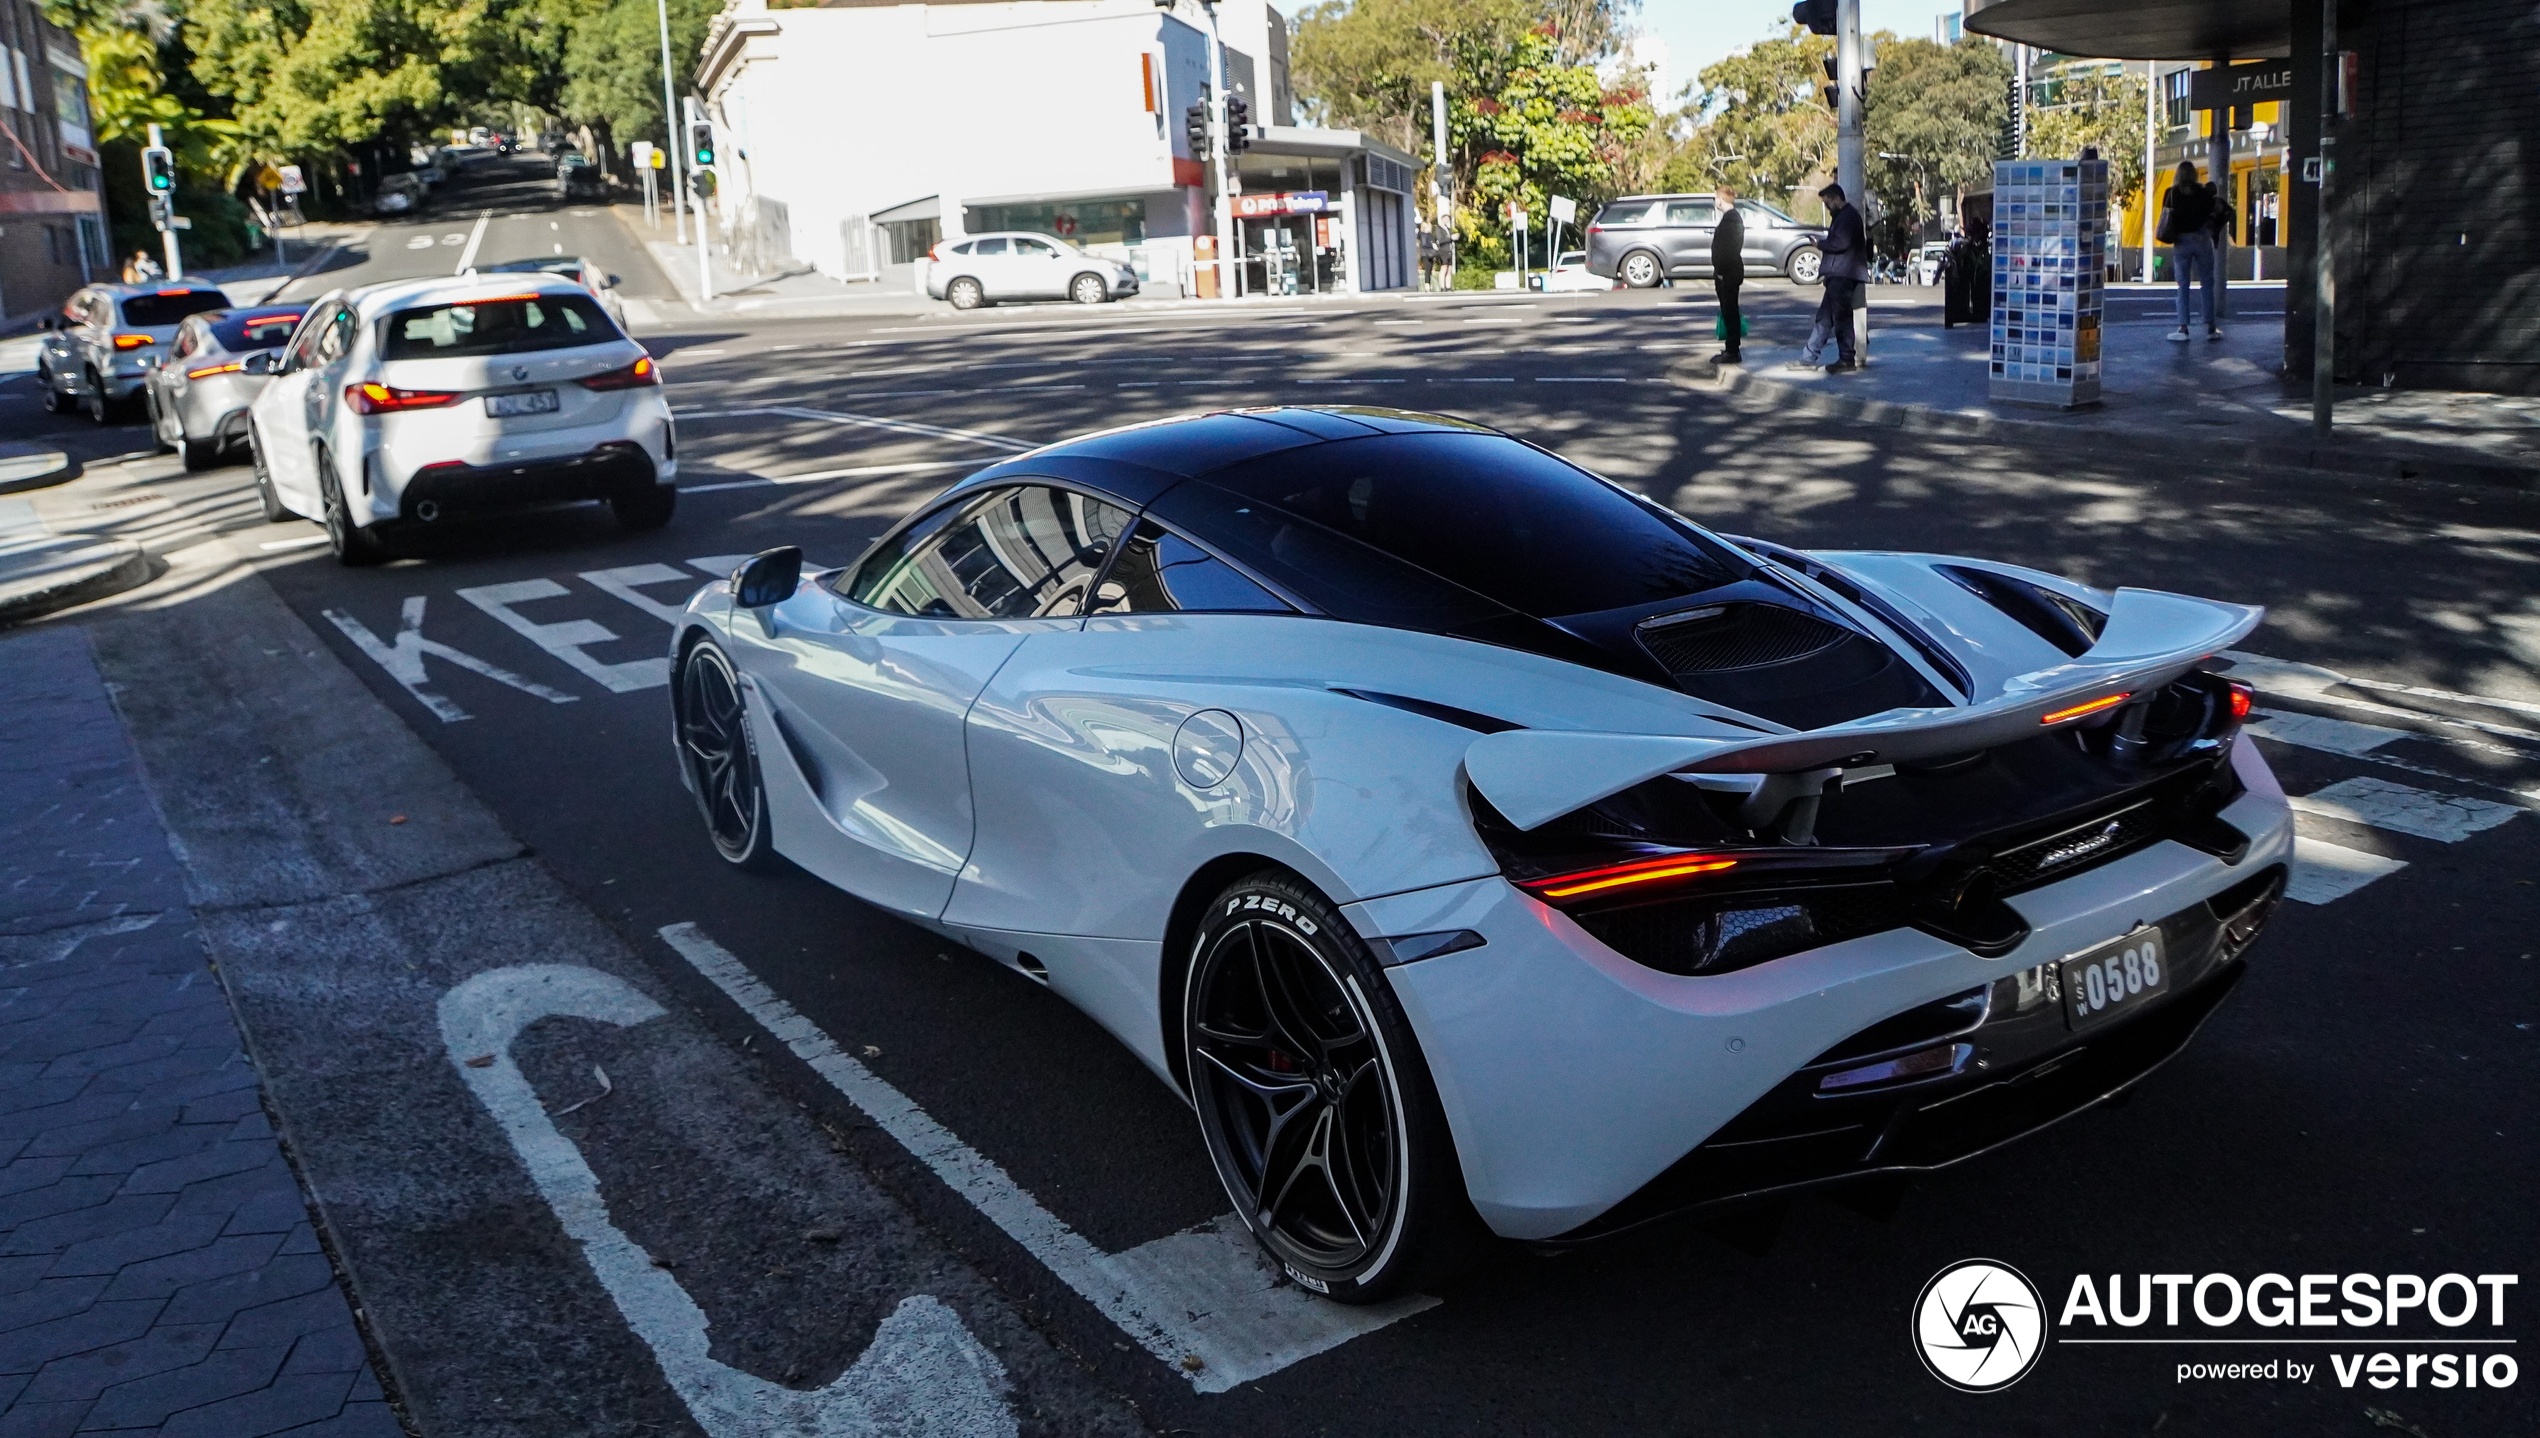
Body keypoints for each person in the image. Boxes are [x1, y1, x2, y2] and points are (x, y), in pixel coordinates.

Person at [1790, 182, 1866, 372]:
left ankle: (1846, 359)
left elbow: (1840, 243)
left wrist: (1820, 244)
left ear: (1837, 199)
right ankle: (1809, 357)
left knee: (1840, 318)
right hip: (1837, 274)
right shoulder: (1843, 216)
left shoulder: (1847, 217)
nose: (1826, 207)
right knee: (1824, 318)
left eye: (1828, 203)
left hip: (1842, 274)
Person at [2159, 160, 2222, 342]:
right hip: (2201, 239)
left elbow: (2167, 217)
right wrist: (2207, 232)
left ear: (2177, 174)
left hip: (2181, 241)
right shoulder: (2203, 193)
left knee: (2183, 286)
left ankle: (2183, 328)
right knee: (2207, 284)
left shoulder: (2171, 193)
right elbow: (2215, 213)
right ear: (2194, 174)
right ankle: (2210, 327)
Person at [1710, 185, 1744, 365]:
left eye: (1716, 197)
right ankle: (1731, 348)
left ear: (1721, 199)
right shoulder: (1730, 219)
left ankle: (1733, 350)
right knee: (1728, 310)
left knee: (1730, 311)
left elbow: (1730, 249)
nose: (1715, 200)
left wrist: (1722, 271)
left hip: (1728, 273)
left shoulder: (1731, 220)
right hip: (1727, 271)